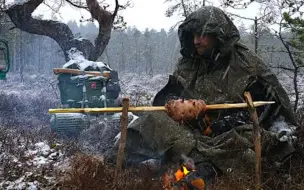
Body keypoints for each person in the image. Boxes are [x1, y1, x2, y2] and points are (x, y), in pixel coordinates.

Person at [106, 6, 297, 183]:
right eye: (195, 34)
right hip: (190, 132)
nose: (197, 40)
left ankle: (197, 175)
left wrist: (214, 125)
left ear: (219, 36)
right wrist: (175, 105)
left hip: (226, 136)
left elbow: (264, 108)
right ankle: (109, 167)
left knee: (240, 143)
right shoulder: (190, 62)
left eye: (204, 35)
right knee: (151, 121)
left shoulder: (246, 65)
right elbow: (168, 94)